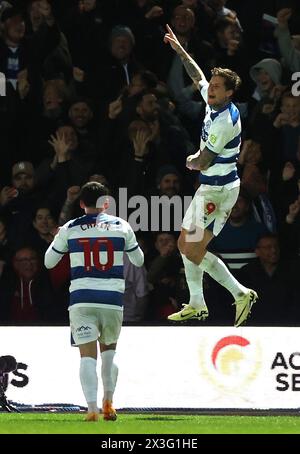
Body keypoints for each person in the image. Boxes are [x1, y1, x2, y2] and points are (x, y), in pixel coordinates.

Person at [163, 24, 257, 327]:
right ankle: (197, 303)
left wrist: (190, 161)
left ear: (229, 93)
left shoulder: (225, 121)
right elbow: (196, 76)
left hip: (220, 190)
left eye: (217, 87)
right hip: (209, 187)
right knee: (184, 246)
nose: (210, 88)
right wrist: (179, 50)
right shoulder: (214, 100)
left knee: (191, 248)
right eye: (212, 85)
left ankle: (240, 293)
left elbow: (204, 160)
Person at [44, 182, 144, 421]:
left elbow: (48, 262)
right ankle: (108, 402)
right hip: (112, 299)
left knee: (87, 356)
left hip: (82, 299)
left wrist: (59, 239)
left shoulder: (70, 228)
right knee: (109, 353)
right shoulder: (122, 226)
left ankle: (91, 409)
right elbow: (138, 261)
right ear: (106, 203)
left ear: (81, 204)